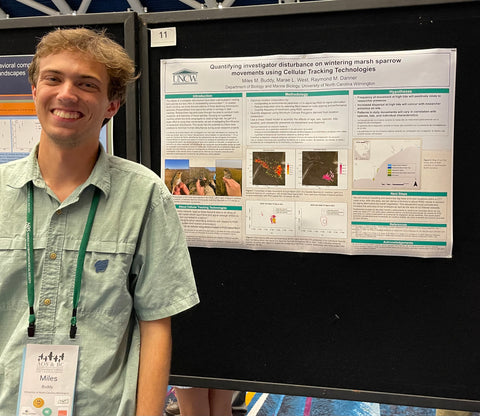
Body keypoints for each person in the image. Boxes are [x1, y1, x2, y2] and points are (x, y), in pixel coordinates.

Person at [0, 27, 199, 415]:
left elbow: (156, 324)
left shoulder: (144, 196)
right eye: (53, 79)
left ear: (112, 105)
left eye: (87, 84)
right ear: (34, 91)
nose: (66, 93)